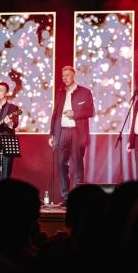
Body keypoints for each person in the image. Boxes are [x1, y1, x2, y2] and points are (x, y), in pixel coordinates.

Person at [48, 65, 94, 204]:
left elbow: (90, 111)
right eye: (63, 76)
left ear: (74, 76)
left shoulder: (85, 92)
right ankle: (66, 197)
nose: (65, 78)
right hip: (62, 132)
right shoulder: (61, 92)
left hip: (77, 133)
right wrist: (52, 134)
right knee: (61, 163)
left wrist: (75, 114)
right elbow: (55, 114)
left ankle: (78, 198)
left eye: (67, 75)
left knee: (78, 165)